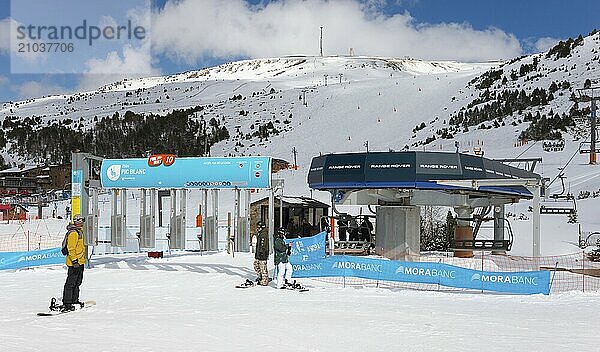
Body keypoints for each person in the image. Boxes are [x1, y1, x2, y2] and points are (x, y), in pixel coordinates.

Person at [61, 215, 86, 312]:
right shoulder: (74, 233)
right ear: (78, 221)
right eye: (82, 220)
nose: (83, 222)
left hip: (80, 261)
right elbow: (71, 248)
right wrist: (74, 260)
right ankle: (67, 302)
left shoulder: (79, 231)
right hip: (74, 263)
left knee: (77, 282)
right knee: (71, 283)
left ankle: (74, 300)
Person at [253, 221, 270, 286]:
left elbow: (263, 245)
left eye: (258, 227)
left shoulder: (263, 234)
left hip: (262, 254)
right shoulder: (260, 233)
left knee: (263, 267)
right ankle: (261, 277)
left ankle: (264, 280)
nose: (257, 228)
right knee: (256, 265)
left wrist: (262, 252)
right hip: (259, 254)